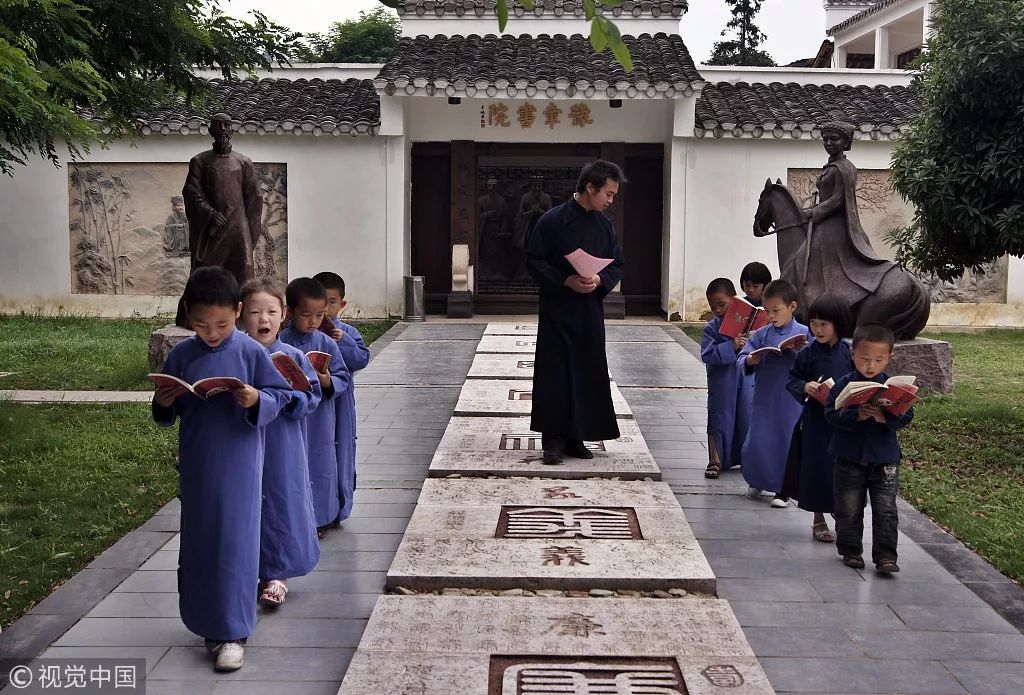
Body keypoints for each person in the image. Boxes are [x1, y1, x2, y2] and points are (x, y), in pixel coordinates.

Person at [151, 266, 292, 672]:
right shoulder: (182, 353)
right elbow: (166, 412)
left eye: (223, 324)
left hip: (240, 464)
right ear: (187, 315)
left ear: (238, 310)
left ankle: (233, 632)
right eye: (201, 324)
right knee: (200, 542)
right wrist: (163, 401)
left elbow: (279, 395)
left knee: (235, 543)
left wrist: (255, 398)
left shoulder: (250, 352)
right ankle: (205, 623)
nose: (212, 333)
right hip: (197, 463)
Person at [526, 159, 625, 464]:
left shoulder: (605, 226)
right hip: (558, 307)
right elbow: (534, 261)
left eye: (613, 195)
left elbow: (617, 264)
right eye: (607, 194)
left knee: (586, 371)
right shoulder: (552, 220)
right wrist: (565, 279)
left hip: (589, 310)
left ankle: (576, 437)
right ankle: (553, 441)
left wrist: (599, 280)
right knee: (555, 373)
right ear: (589, 187)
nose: (610, 200)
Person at [240, 278, 321, 608]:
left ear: (283, 315)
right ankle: (246, 570)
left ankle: (278, 574)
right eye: (256, 312)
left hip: (282, 443)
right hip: (243, 441)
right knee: (247, 503)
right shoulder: (238, 354)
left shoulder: (291, 356)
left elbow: (310, 396)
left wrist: (288, 399)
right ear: (241, 314)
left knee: (281, 500)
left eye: (272, 311)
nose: (264, 319)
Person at [825, 323, 914, 574]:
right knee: (848, 506)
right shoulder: (843, 384)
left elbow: (907, 415)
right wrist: (857, 416)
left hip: (884, 458)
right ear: (852, 354)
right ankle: (851, 550)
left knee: (886, 509)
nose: (870, 365)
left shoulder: (892, 387)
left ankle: (886, 556)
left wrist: (884, 417)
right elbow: (830, 414)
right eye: (864, 358)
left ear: (889, 358)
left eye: (878, 360)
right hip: (848, 455)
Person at [279, 278, 352, 534]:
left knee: (321, 466)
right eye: (306, 315)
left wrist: (326, 379)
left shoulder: (327, 343)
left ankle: (324, 517)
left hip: (320, 419)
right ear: (290, 313)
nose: (313, 321)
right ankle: (297, 519)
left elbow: (342, 376)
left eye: (319, 315)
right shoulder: (281, 342)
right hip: (293, 418)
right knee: (295, 466)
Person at [177, 113, 263, 328]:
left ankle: (246, 319)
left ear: (232, 129)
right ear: (211, 130)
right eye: (218, 125)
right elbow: (191, 192)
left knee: (244, 269)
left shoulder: (243, 162)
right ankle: (191, 317)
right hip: (213, 228)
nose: (223, 129)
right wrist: (210, 214)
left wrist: (250, 233)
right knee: (204, 272)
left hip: (238, 227)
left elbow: (254, 198)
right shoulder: (200, 161)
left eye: (227, 125)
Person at [785, 293, 854, 542]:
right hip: (815, 421)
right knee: (817, 469)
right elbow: (793, 379)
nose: (818, 329)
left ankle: (841, 512)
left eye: (824, 324)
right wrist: (806, 387)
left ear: (838, 323)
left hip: (843, 422)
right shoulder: (807, 353)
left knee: (841, 469)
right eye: (814, 323)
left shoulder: (849, 353)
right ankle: (818, 518)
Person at [737, 279, 809, 508]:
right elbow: (742, 359)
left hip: (790, 398)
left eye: (776, 310)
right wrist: (751, 359)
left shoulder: (804, 333)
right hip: (764, 395)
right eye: (767, 311)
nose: (771, 316)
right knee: (758, 439)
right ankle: (757, 479)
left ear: (793, 307)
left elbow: (813, 361)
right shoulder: (761, 334)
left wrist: (800, 351)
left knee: (785, 440)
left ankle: (783, 489)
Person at [313, 271, 371, 522]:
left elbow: (360, 359)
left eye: (332, 303)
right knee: (319, 452)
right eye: (320, 303)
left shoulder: (347, 331)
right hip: (315, 407)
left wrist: (343, 340)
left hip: (342, 404)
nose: (326, 310)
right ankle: (318, 509)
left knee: (343, 450)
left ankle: (341, 506)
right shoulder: (306, 333)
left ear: (342, 305)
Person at [700, 278, 749, 479]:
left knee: (744, 416)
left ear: (734, 300)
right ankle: (716, 459)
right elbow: (707, 354)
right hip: (722, 381)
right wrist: (731, 346)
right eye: (713, 307)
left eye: (722, 304)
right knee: (719, 418)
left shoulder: (748, 324)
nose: (718, 310)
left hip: (744, 379)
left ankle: (745, 458)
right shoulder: (711, 328)